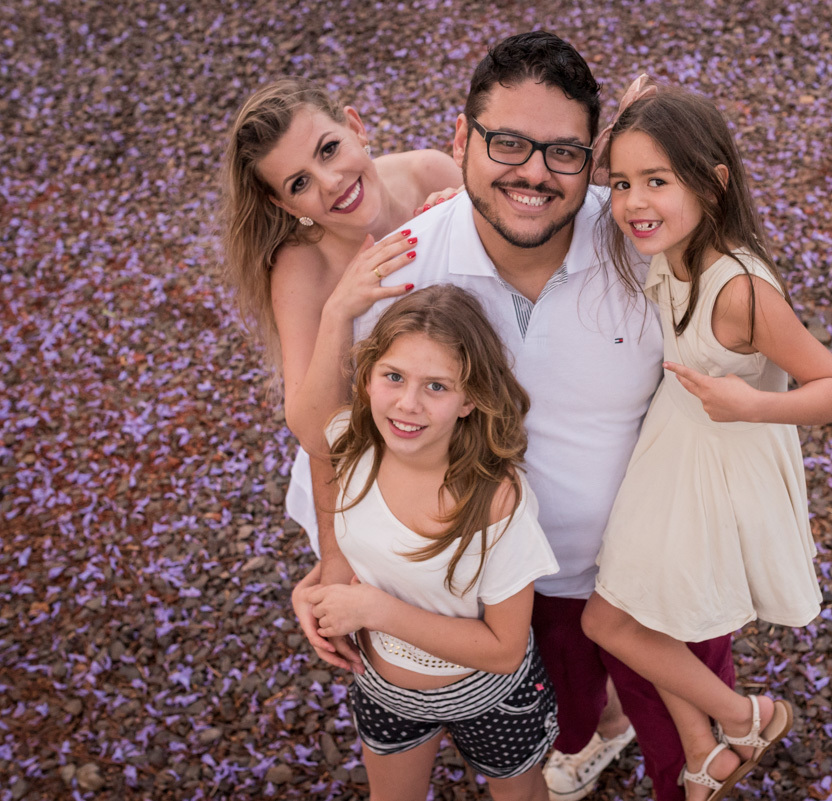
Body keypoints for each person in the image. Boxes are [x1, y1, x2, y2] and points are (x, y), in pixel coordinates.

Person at [290, 33, 732, 801]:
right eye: (506, 143)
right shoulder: (402, 267)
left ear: (593, 159)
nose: (532, 172)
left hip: (648, 574)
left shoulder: (645, 246)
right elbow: (343, 436)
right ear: (461, 140)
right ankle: (599, 730)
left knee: (693, 757)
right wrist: (334, 555)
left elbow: (742, 332)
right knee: (558, 725)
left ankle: (625, 724)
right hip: (500, 595)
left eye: (562, 152)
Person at [579, 85, 832, 801]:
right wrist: (625, 126)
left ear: (713, 182)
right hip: (672, 447)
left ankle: (750, 714)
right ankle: (704, 747)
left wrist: (754, 402)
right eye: (623, 183)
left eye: (657, 181)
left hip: (715, 463)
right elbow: (584, 176)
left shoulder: (741, 290)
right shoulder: (668, 237)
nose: (633, 203)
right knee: (647, 611)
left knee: (608, 619)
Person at [220, 78, 462, 672]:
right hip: (372, 460)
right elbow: (311, 430)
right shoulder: (303, 266)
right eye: (298, 183)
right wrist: (339, 310)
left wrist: (460, 217)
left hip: (469, 417)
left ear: (356, 125)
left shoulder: (432, 174)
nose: (329, 183)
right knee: (421, 637)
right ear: (284, 206)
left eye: (328, 149)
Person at [303, 285, 560, 801]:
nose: (407, 404)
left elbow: (506, 651)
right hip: (383, 687)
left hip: (490, 695)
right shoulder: (348, 449)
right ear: (367, 377)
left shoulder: (494, 502)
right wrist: (311, 586)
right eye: (393, 376)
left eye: (437, 386)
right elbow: (308, 430)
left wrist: (375, 611)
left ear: (470, 400)